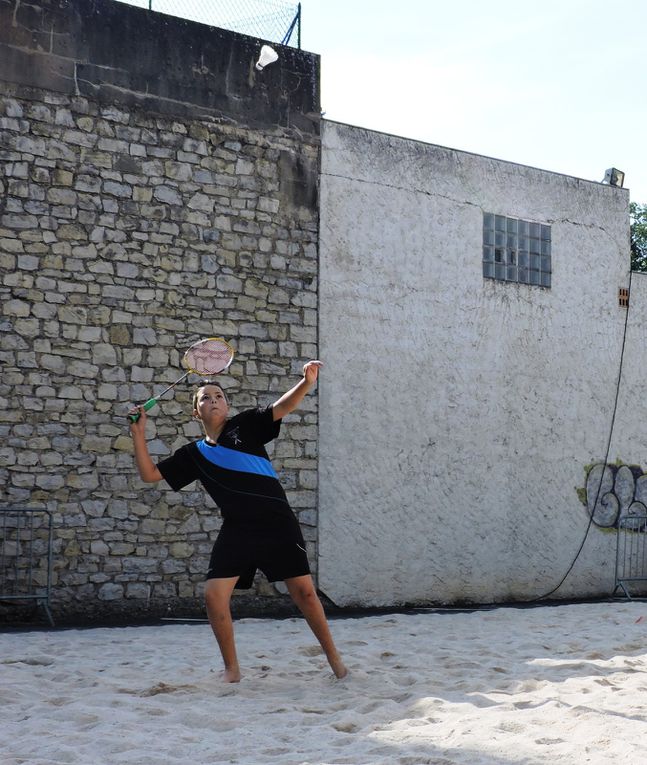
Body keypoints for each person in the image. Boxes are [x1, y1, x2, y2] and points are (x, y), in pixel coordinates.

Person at [129, 360, 347, 682]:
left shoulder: (245, 426)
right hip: (238, 529)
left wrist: (306, 383)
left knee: (305, 594)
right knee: (214, 595)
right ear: (195, 412)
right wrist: (138, 433)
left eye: (218, 395)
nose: (213, 400)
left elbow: (281, 407)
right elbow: (150, 475)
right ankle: (232, 671)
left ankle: (337, 665)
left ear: (227, 406)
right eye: (205, 397)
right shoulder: (193, 454)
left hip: (276, 522)